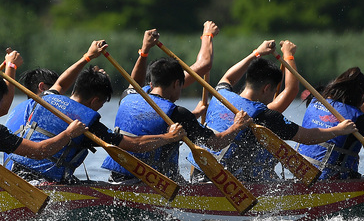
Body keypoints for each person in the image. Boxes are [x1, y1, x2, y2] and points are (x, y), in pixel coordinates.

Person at [5, 40, 185, 183]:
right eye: (101, 104)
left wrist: (87, 57)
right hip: (45, 183)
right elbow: (135, 144)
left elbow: (61, 83)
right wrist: (169, 138)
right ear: (95, 100)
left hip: (16, 173)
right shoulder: (87, 124)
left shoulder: (46, 98)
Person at [203, 40, 356, 182]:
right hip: (233, 184)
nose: (272, 98)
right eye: (272, 92)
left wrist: (256, 53)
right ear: (267, 88)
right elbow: (307, 137)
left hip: (201, 173)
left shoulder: (219, 94)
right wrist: (339, 129)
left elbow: (228, 77)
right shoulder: (265, 115)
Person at [102, 49, 253, 183]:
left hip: (116, 177)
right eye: (181, 86)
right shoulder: (178, 114)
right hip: (152, 183)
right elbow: (216, 143)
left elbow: (147, 120)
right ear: (176, 84)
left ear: (152, 82)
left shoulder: (127, 95)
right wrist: (237, 126)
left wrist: (194, 115)